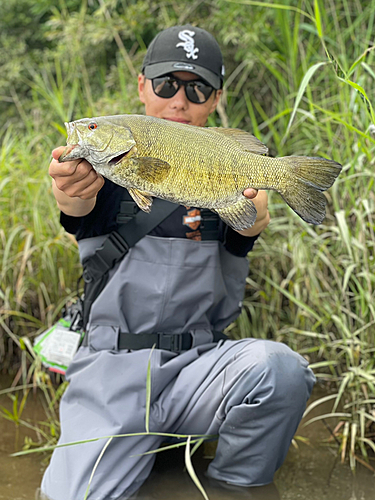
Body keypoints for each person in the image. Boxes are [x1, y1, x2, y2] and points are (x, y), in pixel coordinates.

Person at [41, 25, 315, 500]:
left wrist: (252, 219)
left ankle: (234, 488)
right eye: (167, 83)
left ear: (216, 99)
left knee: (281, 370)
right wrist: (69, 191)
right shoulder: (102, 175)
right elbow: (75, 207)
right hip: (113, 372)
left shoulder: (223, 159)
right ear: (143, 86)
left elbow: (246, 225)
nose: (179, 100)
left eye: (197, 88)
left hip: (199, 368)